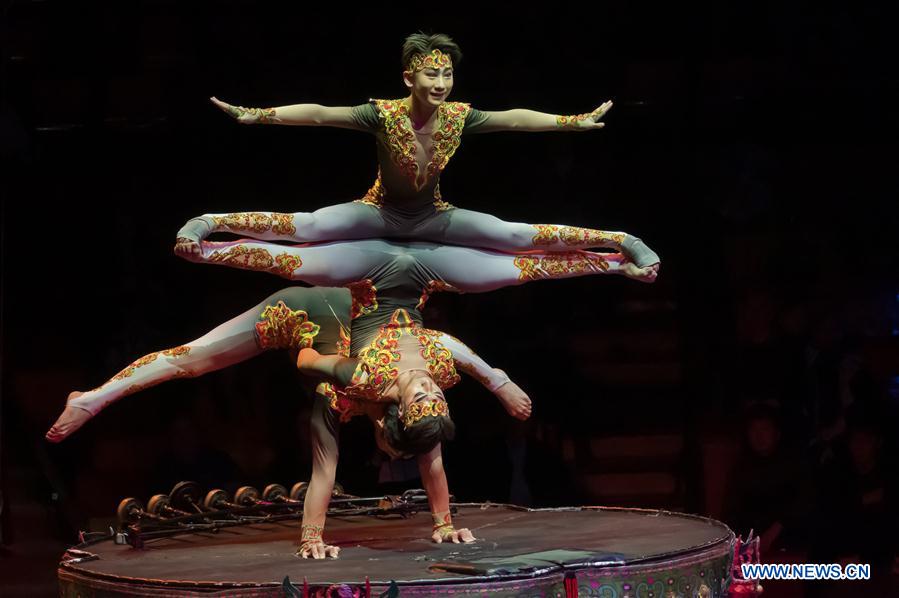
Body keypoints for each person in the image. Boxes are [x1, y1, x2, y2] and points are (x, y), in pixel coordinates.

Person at [46, 285, 531, 557]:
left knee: (192, 362)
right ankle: (91, 399)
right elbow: (303, 363)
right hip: (306, 311)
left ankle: (93, 397)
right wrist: (499, 382)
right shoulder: (358, 384)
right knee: (191, 361)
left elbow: (421, 462)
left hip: (344, 326)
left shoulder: (410, 408)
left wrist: (443, 524)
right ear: (386, 425)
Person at [174, 31, 660, 272]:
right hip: (379, 211)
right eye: (432, 75)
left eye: (447, 75)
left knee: (511, 235)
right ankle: (208, 222)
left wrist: (570, 123)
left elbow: (514, 118)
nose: (441, 83)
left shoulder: (457, 117)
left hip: (431, 215)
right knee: (311, 227)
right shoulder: (382, 115)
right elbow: (321, 113)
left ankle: (620, 240)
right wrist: (256, 114)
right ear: (410, 77)